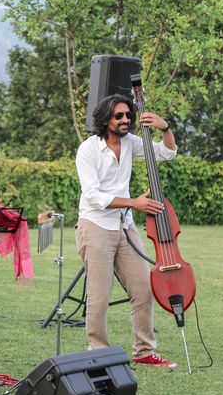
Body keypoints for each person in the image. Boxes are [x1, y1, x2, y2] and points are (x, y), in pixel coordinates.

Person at [75, 93, 178, 367]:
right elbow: (94, 196)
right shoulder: (88, 149)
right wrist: (135, 203)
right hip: (96, 226)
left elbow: (166, 153)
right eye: (118, 116)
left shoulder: (131, 142)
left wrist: (165, 127)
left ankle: (144, 352)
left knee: (144, 288)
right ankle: (99, 353)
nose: (125, 120)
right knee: (99, 294)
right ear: (105, 119)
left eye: (127, 116)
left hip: (125, 225)